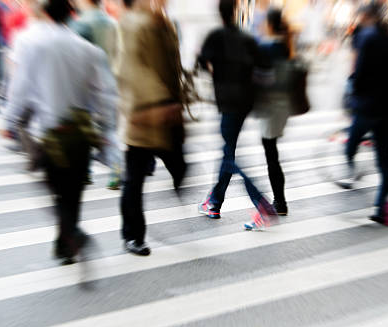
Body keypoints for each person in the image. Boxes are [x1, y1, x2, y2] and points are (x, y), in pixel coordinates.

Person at [3, 0, 117, 264]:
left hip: (50, 133)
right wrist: (106, 128)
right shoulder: (88, 50)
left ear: (44, 13)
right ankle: (65, 243)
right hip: (80, 132)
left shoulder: (34, 45)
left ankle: (71, 234)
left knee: (55, 189)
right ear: (71, 15)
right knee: (74, 190)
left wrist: (8, 122)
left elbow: (20, 89)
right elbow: (104, 93)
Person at [197, 0, 277, 230]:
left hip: (227, 102)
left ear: (219, 13)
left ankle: (261, 203)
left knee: (229, 156)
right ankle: (214, 203)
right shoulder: (247, 38)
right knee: (228, 151)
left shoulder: (215, 36)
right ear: (236, 12)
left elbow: (202, 62)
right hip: (245, 102)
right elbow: (266, 68)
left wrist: (218, 71)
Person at [116, 0, 187, 256]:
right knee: (133, 180)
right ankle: (133, 236)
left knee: (179, 164)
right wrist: (156, 102)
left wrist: (178, 100)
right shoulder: (131, 23)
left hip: (168, 113)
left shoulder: (164, 22)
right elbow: (130, 68)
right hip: (144, 114)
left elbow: (174, 66)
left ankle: (179, 184)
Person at [336, 3, 388, 224]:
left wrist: (353, 93)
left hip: (367, 106)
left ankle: (352, 170)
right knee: (385, 161)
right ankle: (381, 207)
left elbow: (361, 72)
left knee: (351, 143)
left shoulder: (368, 38)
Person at [71, 0, 123, 190]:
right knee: (108, 129)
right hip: (111, 81)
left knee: (84, 128)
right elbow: (119, 53)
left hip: (88, 85)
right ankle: (115, 164)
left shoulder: (80, 24)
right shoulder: (112, 22)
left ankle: (86, 171)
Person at [254, 8, 292, 216]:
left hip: (270, 106)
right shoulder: (284, 45)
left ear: (269, 24)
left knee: (271, 155)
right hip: (282, 105)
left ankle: (280, 201)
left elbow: (263, 77)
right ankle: (280, 200)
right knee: (272, 151)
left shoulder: (267, 47)